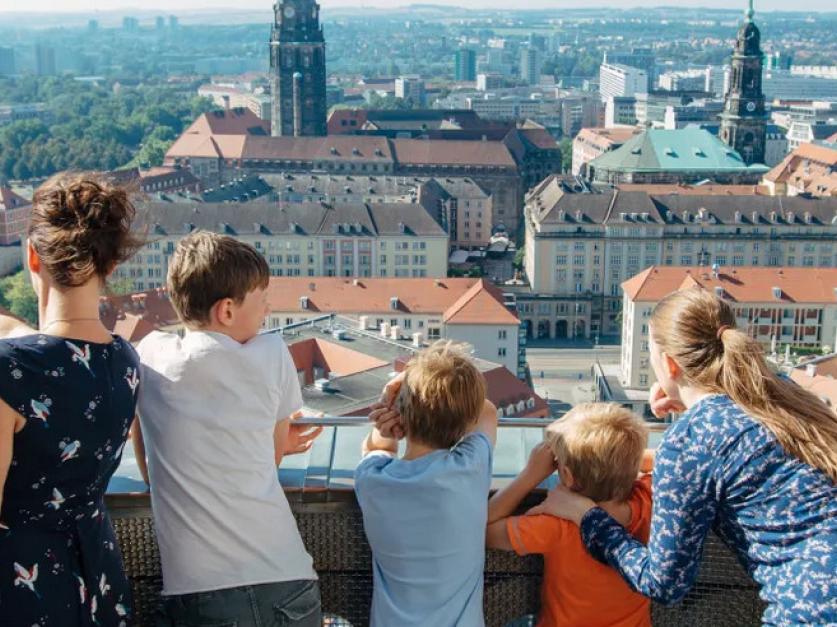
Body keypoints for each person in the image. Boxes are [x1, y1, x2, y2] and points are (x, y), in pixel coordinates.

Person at [529, 288, 837, 625]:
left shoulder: (692, 439)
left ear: (670, 364)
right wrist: (680, 395)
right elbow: (729, 459)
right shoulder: (780, 390)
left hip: (814, 607)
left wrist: (586, 515)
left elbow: (663, 582)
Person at [132, 231, 323, 627]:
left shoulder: (151, 354)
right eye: (262, 297)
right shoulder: (272, 353)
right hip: (285, 575)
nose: (268, 308)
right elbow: (267, 459)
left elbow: (149, 460)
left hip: (201, 586)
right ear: (227, 311)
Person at [0, 173, 142, 626]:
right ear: (111, 265)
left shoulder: (9, 371)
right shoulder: (124, 361)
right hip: (99, 581)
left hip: (25, 588)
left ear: (32, 257)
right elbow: (57, 357)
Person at [355, 341, 498, 627]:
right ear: (465, 420)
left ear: (403, 413)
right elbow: (488, 412)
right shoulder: (468, 469)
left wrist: (393, 400)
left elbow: (376, 448)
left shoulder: (374, 480)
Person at [486, 403, 653, 627]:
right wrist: (621, 460)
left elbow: (483, 530)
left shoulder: (556, 525)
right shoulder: (648, 498)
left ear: (566, 475)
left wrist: (530, 475)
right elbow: (670, 460)